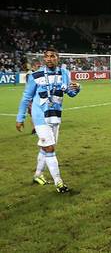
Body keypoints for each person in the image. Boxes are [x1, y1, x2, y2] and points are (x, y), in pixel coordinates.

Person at [16, 47, 81, 192]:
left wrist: (77, 88)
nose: (49, 59)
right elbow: (26, 97)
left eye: (52, 56)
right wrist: (20, 117)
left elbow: (70, 92)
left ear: (58, 58)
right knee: (50, 148)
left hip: (55, 116)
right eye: (47, 56)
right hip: (40, 117)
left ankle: (38, 175)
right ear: (44, 58)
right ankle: (59, 182)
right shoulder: (36, 75)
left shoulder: (64, 73)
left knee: (46, 148)